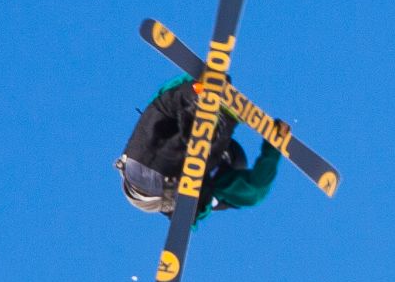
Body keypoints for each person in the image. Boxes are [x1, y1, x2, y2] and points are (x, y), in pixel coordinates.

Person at [115, 74, 282, 220]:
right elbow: (256, 190)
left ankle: (206, 105)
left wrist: (195, 84)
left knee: (169, 113)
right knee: (181, 129)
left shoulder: (218, 187)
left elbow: (162, 101)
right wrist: (274, 146)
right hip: (143, 170)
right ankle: (204, 104)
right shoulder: (220, 187)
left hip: (142, 173)